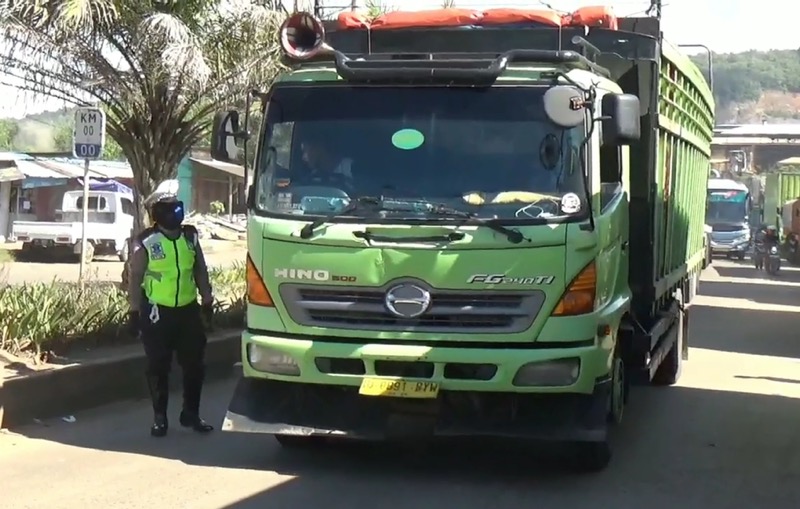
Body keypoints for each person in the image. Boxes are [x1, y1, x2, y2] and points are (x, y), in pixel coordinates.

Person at [127, 192, 215, 437]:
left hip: (188, 311)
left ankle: (191, 414)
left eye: (176, 206)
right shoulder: (146, 241)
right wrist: (134, 311)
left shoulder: (190, 236)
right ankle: (160, 417)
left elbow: (200, 268)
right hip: (157, 313)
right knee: (158, 366)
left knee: (195, 365)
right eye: (167, 207)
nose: (174, 211)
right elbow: (135, 277)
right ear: (156, 213)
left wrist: (207, 299)